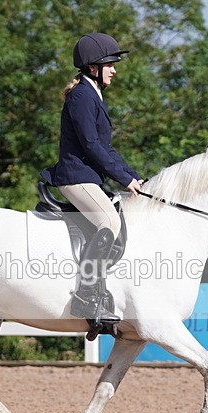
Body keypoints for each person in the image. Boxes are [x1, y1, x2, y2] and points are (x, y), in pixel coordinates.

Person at [40, 33, 143, 329]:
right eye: (110, 64)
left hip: (88, 177)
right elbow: (91, 146)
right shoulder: (82, 96)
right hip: (75, 177)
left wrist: (134, 177)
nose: (115, 70)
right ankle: (86, 296)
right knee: (109, 222)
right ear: (93, 67)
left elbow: (106, 148)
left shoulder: (92, 94)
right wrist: (123, 179)